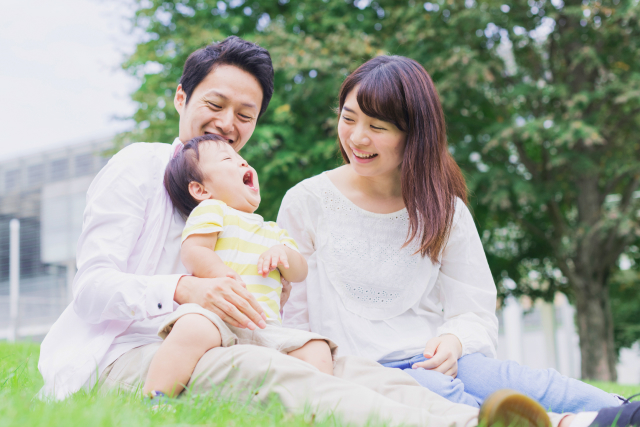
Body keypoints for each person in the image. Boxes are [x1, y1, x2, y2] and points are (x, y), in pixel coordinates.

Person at [36, 36, 630, 427]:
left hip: (246, 335)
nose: (228, 124)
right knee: (274, 372)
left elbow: (279, 292)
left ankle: (584, 417)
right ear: (180, 97)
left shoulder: (239, 201)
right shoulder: (139, 166)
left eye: (246, 115)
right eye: (214, 105)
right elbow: (93, 290)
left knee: (354, 371)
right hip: (137, 349)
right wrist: (185, 290)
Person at [277, 55, 624, 418]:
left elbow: (474, 309)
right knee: (446, 397)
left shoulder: (442, 208)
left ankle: (622, 413)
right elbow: (293, 320)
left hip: (432, 357)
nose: (357, 137)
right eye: (348, 118)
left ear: (415, 134)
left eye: (377, 127)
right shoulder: (307, 202)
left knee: (519, 381)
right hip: (362, 371)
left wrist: (453, 341)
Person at [143, 134, 335, 399]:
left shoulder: (273, 231)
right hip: (218, 316)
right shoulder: (213, 210)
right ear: (201, 190)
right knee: (191, 329)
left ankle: (318, 405)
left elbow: (300, 272)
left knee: (316, 347)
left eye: (242, 159)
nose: (243, 164)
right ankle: (157, 397)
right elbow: (194, 251)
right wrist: (223, 275)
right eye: (228, 159)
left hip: (265, 325)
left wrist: (284, 254)